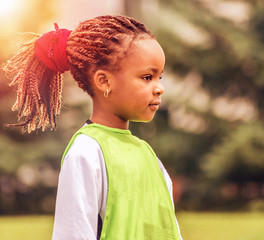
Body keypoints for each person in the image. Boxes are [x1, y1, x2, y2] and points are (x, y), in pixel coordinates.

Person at [2, 15, 183, 240]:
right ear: (104, 81)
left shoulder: (147, 154)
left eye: (159, 77)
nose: (159, 88)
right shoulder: (87, 152)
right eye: (147, 77)